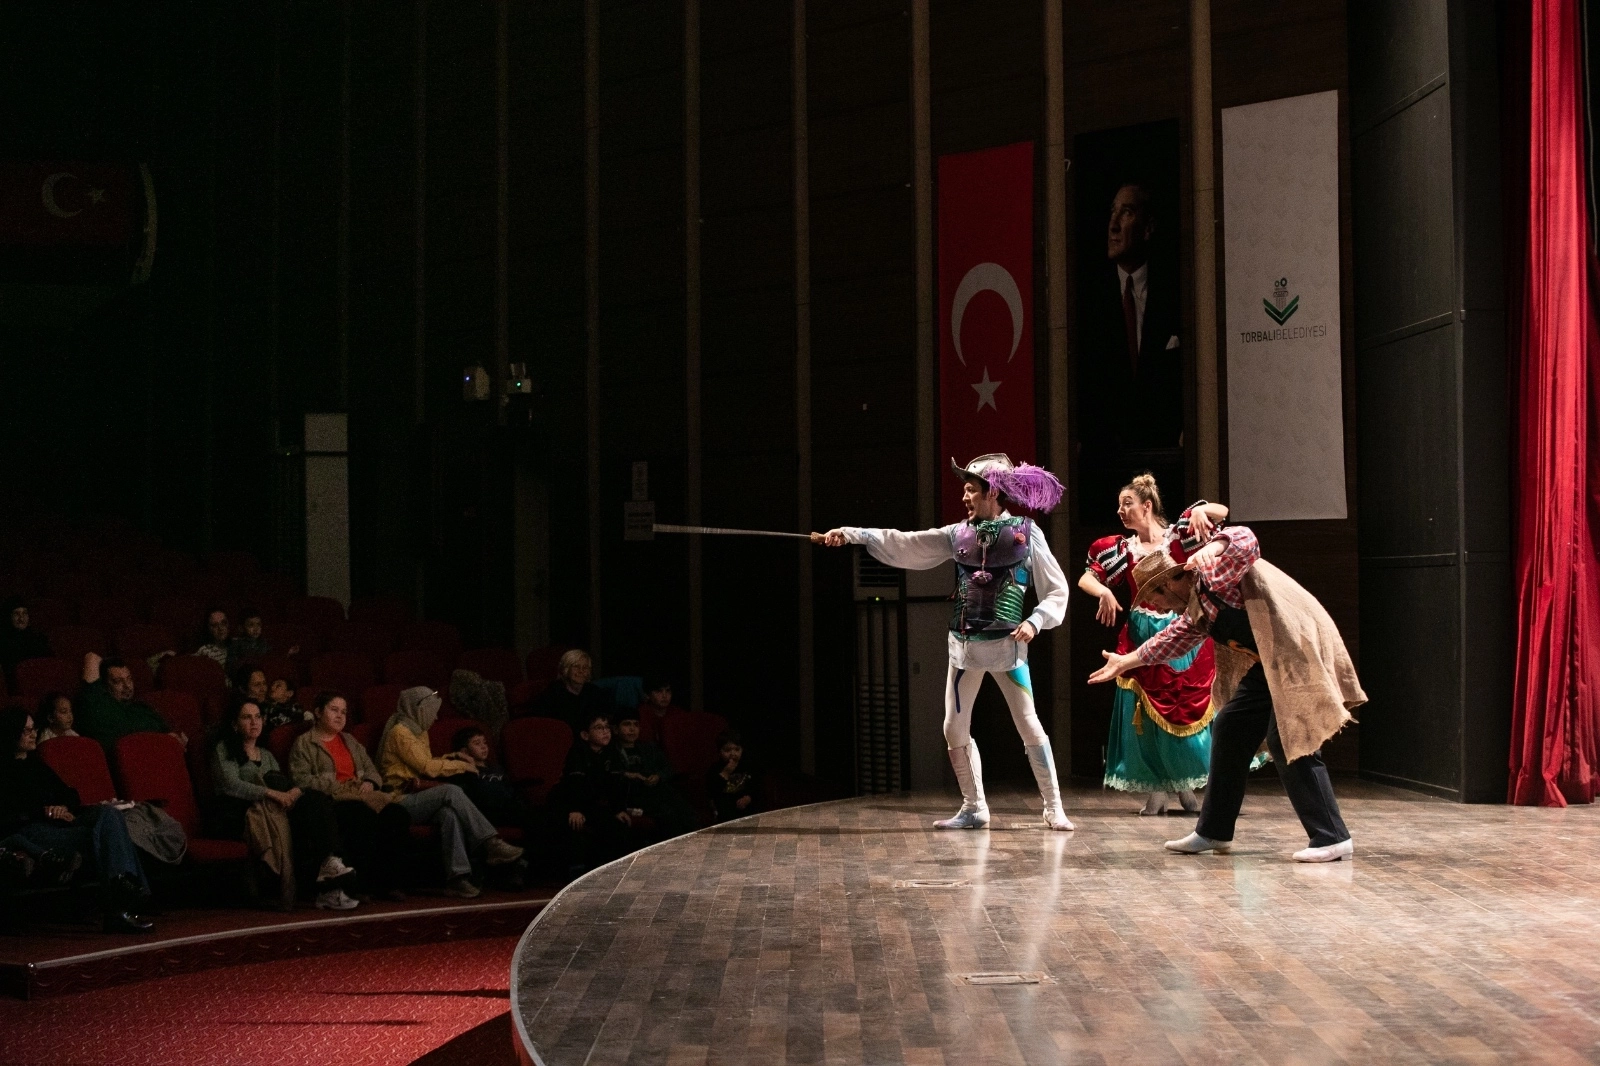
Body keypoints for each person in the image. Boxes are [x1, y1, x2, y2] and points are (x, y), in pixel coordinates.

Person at [819, 453, 1073, 831]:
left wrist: (1036, 621)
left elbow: (1057, 589)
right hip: (964, 647)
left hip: (1007, 648)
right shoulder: (958, 534)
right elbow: (906, 543)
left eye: (971, 490)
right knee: (953, 728)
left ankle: (1054, 807)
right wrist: (852, 534)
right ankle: (974, 807)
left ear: (992, 492)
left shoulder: (1026, 532)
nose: (964, 497)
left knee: (1028, 725)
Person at [1088, 520, 1365, 862]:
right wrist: (1125, 662)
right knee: (1231, 726)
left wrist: (1214, 547)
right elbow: (1169, 642)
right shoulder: (1197, 610)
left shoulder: (1214, 577)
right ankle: (1213, 831)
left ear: (1173, 580)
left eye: (1158, 595)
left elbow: (1246, 540)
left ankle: (1332, 837)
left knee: (1287, 737)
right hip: (1270, 663)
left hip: (1296, 653)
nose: (1160, 606)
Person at [1079, 476, 1232, 814]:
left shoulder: (1179, 536)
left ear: (1147, 506)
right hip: (1142, 633)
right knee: (1145, 713)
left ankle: (1185, 785)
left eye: (1127, 503)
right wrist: (1103, 591)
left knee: (1186, 704)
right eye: (1119, 505)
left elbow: (1222, 514)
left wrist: (1202, 510)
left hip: (1182, 630)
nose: (1120, 510)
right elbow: (1086, 577)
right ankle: (1158, 788)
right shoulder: (1121, 549)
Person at [1078, 180, 1185, 515]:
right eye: (1112, 212)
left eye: (1126, 212)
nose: (1113, 225)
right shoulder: (1088, 299)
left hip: (1164, 463)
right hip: (1106, 464)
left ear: (1148, 227)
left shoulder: (1175, 291)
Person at [0, 708, 153, 933]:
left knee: (109, 814)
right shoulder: (4, 772)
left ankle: (121, 887)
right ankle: (123, 899)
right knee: (103, 838)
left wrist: (63, 808)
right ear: (12, 734)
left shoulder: (36, 765)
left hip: (63, 825)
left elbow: (70, 794)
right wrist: (46, 812)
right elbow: (9, 814)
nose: (33, 734)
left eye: (34, 729)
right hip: (33, 831)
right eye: (27, 731)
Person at [377, 686, 524, 897]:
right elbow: (427, 768)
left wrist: (452, 757)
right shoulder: (401, 732)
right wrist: (462, 765)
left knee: (449, 814)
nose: (436, 717)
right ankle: (491, 843)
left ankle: (457, 878)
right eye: (432, 711)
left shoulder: (419, 731)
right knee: (451, 791)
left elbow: (425, 762)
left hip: (416, 795)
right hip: (398, 799)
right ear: (419, 709)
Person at [211, 700, 358, 911]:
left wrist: (294, 791)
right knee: (303, 816)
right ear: (235, 724)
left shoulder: (267, 754)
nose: (254, 722)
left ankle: (330, 868)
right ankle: (325, 885)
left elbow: (281, 782)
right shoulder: (224, 749)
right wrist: (271, 793)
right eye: (247, 717)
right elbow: (231, 785)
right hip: (240, 811)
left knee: (315, 801)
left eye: (258, 717)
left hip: (274, 806)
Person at [289, 692, 411, 901]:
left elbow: (372, 770)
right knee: (362, 816)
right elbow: (301, 779)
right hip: (333, 800)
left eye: (343, 712)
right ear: (318, 712)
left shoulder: (350, 740)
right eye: (334, 710)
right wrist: (340, 787)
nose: (340, 716)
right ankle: (358, 884)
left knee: (397, 815)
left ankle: (387, 883)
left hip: (362, 795)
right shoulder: (304, 743)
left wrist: (369, 782)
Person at [548, 712, 636, 872]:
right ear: (585, 735)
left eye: (607, 727)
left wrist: (618, 809)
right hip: (570, 802)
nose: (605, 731)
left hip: (595, 803)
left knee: (617, 827)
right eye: (599, 728)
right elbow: (575, 783)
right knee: (573, 826)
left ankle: (613, 869)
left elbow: (615, 784)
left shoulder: (612, 753)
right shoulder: (577, 753)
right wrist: (575, 809)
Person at [77, 654, 186, 751]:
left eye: (129, 679)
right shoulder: (99, 705)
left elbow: (169, 733)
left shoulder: (142, 708)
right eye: (118, 681)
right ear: (104, 686)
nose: (127, 686)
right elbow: (91, 657)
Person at [615, 712, 697, 836]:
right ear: (616, 729)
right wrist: (629, 775)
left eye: (636, 725)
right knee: (667, 813)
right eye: (627, 724)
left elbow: (668, 768)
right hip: (633, 793)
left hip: (656, 789)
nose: (632, 729)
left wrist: (658, 776)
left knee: (683, 807)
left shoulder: (649, 748)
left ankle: (696, 840)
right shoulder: (612, 750)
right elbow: (611, 774)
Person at [449, 725, 534, 834]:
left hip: (511, 807)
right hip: (490, 812)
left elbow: (509, 787)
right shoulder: (465, 772)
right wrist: (469, 766)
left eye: (484, 742)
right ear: (464, 751)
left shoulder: (495, 768)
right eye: (477, 743)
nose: (484, 747)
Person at [531, 649, 612, 734]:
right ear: (566, 669)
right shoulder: (552, 693)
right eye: (576, 667)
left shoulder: (594, 691)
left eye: (585, 667)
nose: (581, 671)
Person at [705, 730, 759, 823]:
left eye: (737, 749)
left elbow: (756, 786)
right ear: (719, 752)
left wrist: (748, 798)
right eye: (727, 750)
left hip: (748, 812)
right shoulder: (715, 769)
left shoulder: (747, 765)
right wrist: (725, 773)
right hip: (726, 815)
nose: (733, 754)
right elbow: (713, 793)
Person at [0, 597, 52, 690]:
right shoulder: (3, 642)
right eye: (16, 614)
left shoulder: (39, 639)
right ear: (9, 617)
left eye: (24, 613)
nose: (21, 618)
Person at [635, 677, 687, 747]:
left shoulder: (678, 713)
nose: (664, 696)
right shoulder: (640, 714)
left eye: (668, 691)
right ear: (647, 695)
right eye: (659, 691)